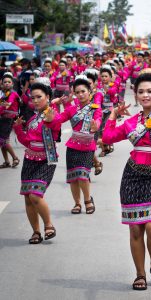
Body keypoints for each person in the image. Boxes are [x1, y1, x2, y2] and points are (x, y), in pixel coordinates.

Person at [102, 68, 151, 290]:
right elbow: (107, 137)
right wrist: (113, 116)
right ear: (135, 95)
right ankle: (140, 273)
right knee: (136, 229)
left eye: (150, 91)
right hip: (133, 176)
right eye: (141, 91)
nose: (146, 95)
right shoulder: (131, 122)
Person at [13, 78, 59, 244]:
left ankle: (48, 226)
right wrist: (18, 128)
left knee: (35, 194)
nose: (35, 100)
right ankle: (36, 232)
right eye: (33, 98)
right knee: (27, 197)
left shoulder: (52, 114)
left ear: (47, 96)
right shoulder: (32, 119)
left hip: (46, 160)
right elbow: (27, 141)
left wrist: (50, 121)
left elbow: (56, 127)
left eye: (39, 96)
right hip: (29, 159)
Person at [49, 75, 102, 214]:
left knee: (83, 175)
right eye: (77, 92)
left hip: (88, 146)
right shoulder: (72, 109)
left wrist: (95, 126)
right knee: (73, 177)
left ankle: (88, 200)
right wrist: (54, 105)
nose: (80, 94)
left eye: (83, 91)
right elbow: (58, 119)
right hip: (73, 146)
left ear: (89, 92)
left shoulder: (95, 108)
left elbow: (98, 121)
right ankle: (77, 203)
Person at [0, 72, 20, 168]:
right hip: (2, 119)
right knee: (2, 141)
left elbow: (8, 104)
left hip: (9, 120)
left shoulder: (13, 93)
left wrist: (4, 104)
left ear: (12, 84)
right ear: (2, 84)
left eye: (9, 82)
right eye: (5, 82)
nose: (7, 83)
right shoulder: (3, 94)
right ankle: (6, 161)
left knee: (3, 140)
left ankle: (15, 157)